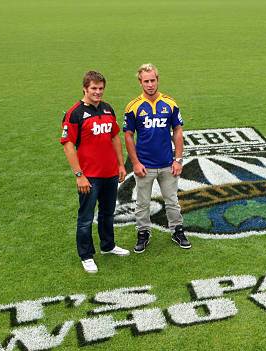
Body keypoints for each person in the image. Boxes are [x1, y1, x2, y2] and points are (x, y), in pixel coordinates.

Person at [61, 70, 129, 274]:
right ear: (85, 88)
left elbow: (115, 137)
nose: (98, 92)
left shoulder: (108, 109)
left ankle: (108, 246)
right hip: (89, 177)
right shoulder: (75, 113)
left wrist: (120, 164)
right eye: (94, 89)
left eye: (100, 88)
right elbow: (68, 145)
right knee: (86, 218)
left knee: (108, 213)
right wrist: (79, 175)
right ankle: (86, 255)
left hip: (109, 173)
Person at [123, 63, 191, 253]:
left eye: (153, 80)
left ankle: (177, 230)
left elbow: (177, 130)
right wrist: (135, 163)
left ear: (158, 79)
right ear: (140, 82)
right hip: (145, 165)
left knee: (172, 200)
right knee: (142, 202)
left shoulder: (170, 103)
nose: (150, 84)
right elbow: (128, 135)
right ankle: (143, 232)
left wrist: (178, 160)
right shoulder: (133, 107)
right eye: (146, 81)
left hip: (168, 164)